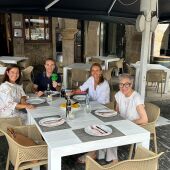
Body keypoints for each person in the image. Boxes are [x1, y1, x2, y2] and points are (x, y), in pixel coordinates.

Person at [103, 73, 148, 164]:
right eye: (121, 84)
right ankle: (100, 153)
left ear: (131, 85)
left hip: (135, 126)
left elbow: (144, 119)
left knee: (111, 133)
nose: (123, 87)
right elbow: (117, 112)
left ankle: (114, 161)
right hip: (123, 124)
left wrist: (128, 123)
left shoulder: (136, 98)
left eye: (126, 84)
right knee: (105, 128)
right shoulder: (119, 94)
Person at [77, 63, 110, 163]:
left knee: (91, 124)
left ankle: (92, 152)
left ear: (101, 72)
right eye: (93, 70)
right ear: (91, 72)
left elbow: (100, 102)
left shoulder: (105, 84)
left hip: (103, 109)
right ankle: (89, 148)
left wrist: (86, 106)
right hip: (92, 107)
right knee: (82, 121)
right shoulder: (91, 79)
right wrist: (71, 93)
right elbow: (82, 88)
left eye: (97, 70)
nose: (95, 73)